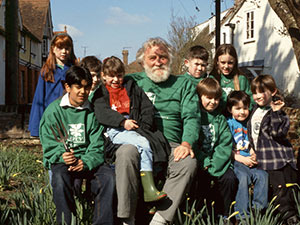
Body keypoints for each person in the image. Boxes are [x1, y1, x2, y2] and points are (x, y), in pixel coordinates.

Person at [113, 37, 200, 225]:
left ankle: (160, 220)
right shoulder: (131, 82)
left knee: (187, 163)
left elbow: (192, 117)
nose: (158, 62)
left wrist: (186, 143)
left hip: (171, 144)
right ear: (143, 61)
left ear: (170, 59)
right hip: (139, 140)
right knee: (125, 153)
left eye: (163, 57)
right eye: (152, 58)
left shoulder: (183, 84)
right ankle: (127, 219)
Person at [39, 66, 115, 225]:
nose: (83, 92)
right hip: (65, 162)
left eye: (87, 87)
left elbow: (98, 144)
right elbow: (49, 142)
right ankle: (68, 222)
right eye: (78, 87)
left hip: (88, 160)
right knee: (60, 178)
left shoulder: (92, 111)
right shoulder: (54, 111)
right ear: (67, 87)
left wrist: (86, 162)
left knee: (108, 178)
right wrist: (62, 155)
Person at [93, 56, 167, 203]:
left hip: (136, 128)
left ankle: (151, 189)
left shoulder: (132, 87)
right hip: (114, 130)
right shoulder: (100, 92)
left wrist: (144, 126)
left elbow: (147, 107)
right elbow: (102, 112)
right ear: (104, 76)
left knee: (159, 146)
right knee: (143, 143)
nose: (115, 80)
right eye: (111, 76)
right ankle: (149, 189)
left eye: (119, 76)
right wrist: (122, 121)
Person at [248, 74, 299, 225]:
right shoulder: (255, 110)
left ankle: (290, 217)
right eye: (255, 92)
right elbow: (252, 132)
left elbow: (278, 133)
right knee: (271, 189)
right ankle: (276, 217)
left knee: (281, 191)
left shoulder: (278, 112)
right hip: (263, 158)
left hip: (277, 159)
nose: (258, 96)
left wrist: (276, 112)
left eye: (262, 92)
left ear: (273, 92)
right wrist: (252, 147)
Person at [195, 77, 238, 220]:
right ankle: (202, 214)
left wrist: (215, 164)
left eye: (216, 99)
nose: (213, 102)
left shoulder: (220, 119)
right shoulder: (195, 117)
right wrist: (205, 161)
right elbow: (193, 143)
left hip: (218, 162)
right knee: (200, 181)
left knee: (229, 179)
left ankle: (225, 214)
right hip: (201, 163)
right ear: (200, 97)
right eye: (209, 98)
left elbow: (225, 144)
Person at [226, 90, 268, 220]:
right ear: (229, 109)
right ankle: (241, 214)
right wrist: (240, 158)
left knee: (263, 176)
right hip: (237, 160)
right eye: (237, 108)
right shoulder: (229, 124)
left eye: (245, 108)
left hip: (251, 159)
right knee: (243, 178)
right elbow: (225, 147)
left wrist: (254, 153)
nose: (242, 112)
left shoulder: (250, 122)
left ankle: (258, 210)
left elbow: (253, 142)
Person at [28, 33, 77, 137]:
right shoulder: (46, 71)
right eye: (60, 48)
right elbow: (39, 99)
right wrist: (36, 129)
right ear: (53, 49)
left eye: (67, 48)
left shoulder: (75, 70)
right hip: (52, 118)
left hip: (71, 117)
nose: (64, 51)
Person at [210, 44, 253, 112]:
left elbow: (250, 101)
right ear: (217, 62)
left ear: (235, 62)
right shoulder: (212, 79)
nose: (226, 66)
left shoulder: (241, 80)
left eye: (230, 63)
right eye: (223, 62)